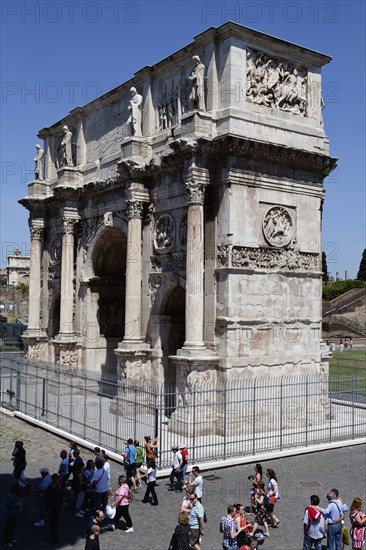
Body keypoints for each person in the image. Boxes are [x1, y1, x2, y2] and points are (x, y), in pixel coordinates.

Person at [3, 483, 22, 548]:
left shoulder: (13, 495)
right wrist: (17, 504)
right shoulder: (10, 496)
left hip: (14, 514)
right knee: (9, 528)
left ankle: (10, 539)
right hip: (11, 515)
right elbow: (9, 506)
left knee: (12, 527)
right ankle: (7, 541)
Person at [45, 473, 62, 544]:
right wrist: (48, 508)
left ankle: (54, 536)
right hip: (51, 507)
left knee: (55, 522)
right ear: (54, 480)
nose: (58, 480)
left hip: (57, 507)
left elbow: (59, 495)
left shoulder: (58, 486)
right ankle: (53, 537)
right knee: (52, 523)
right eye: (57, 479)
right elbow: (47, 499)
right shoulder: (49, 488)